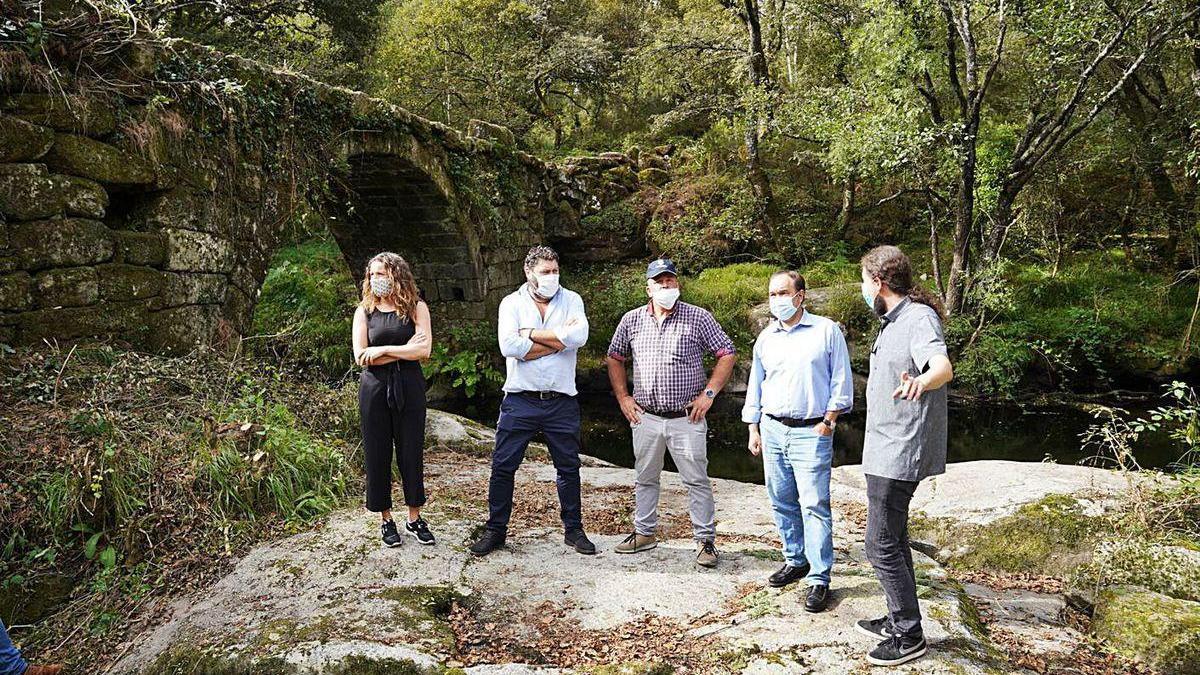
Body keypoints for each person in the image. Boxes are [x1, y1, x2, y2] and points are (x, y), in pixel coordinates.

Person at [852, 245, 953, 667]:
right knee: (893, 537)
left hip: (900, 449)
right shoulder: (892, 320)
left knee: (878, 543)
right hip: (884, 444)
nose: (861, 288)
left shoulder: (918, 318)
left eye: (863, 280)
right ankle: (900, 618)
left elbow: (942, 367)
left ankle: (909, 636)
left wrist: (923, 382)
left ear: (878, 283)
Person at [606, 258, 736, 568]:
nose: (667, 287)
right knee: (645, 478)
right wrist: (623, 397)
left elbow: (727, 353)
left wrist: (709, 394)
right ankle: (644, 533)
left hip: (686, 418)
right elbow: (614, 356)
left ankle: (705, 541)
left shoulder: (698, 317)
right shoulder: (632, 320)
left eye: (671, 281)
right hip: (646, 417)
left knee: (696, 481)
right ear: (648, 288)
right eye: (660, 282)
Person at [469, 245, 595, 557]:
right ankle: (496, 530)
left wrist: (532, 334)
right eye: (545, 272)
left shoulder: (572, 299)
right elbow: (509, 345)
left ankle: (574, 530)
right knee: (503, 466)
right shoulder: (511, 303)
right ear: (529, 273)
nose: (552, 277)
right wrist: (557, 342)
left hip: (561, 400)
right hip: (520, 399)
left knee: (568, 467)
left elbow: (579, 338)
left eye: (555, 271)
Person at [743, 270, 853, 612]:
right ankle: (795, 559)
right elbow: (755, 383)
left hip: (812, 430)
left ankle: (819, 577)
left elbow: (841, 380)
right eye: (772, 294)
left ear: (800, 295)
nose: (777, 299)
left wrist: (828, 420)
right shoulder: (767, 337)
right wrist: (753, 426)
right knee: (781, 500)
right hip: (773, 429)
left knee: (814, 504)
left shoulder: (826, 331)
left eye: (783, 292)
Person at [352, 252, 435, 548]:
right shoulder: (364, 311)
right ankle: (386, 519)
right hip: (374, 389)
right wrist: (401, 348)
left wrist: (381, 351)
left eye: (382, 274)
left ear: (396, 276)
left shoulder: (416, 307)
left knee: (411, 450)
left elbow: (423, 351)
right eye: (372, 275)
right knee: (378, 452)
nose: (376, 280)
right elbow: (361, 356)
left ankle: (414, 518)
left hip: (409, 385)